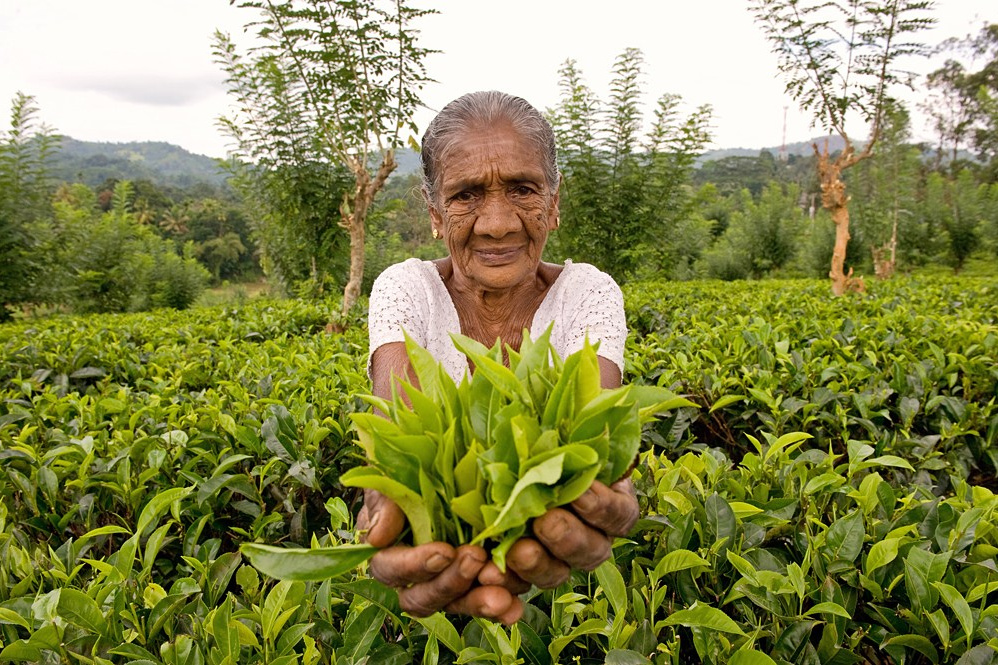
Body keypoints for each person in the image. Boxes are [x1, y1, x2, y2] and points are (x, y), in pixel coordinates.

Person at [359, 90, 639, 625]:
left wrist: (607, 483)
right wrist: (384, 505)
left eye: (523, 190)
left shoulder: (589, 292)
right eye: (466, 195)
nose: (497, 223)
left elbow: (597, 437)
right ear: (435, 212)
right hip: (431, 603)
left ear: (554, 203)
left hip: (567, 609)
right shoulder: (406, 288)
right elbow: (391, 434)